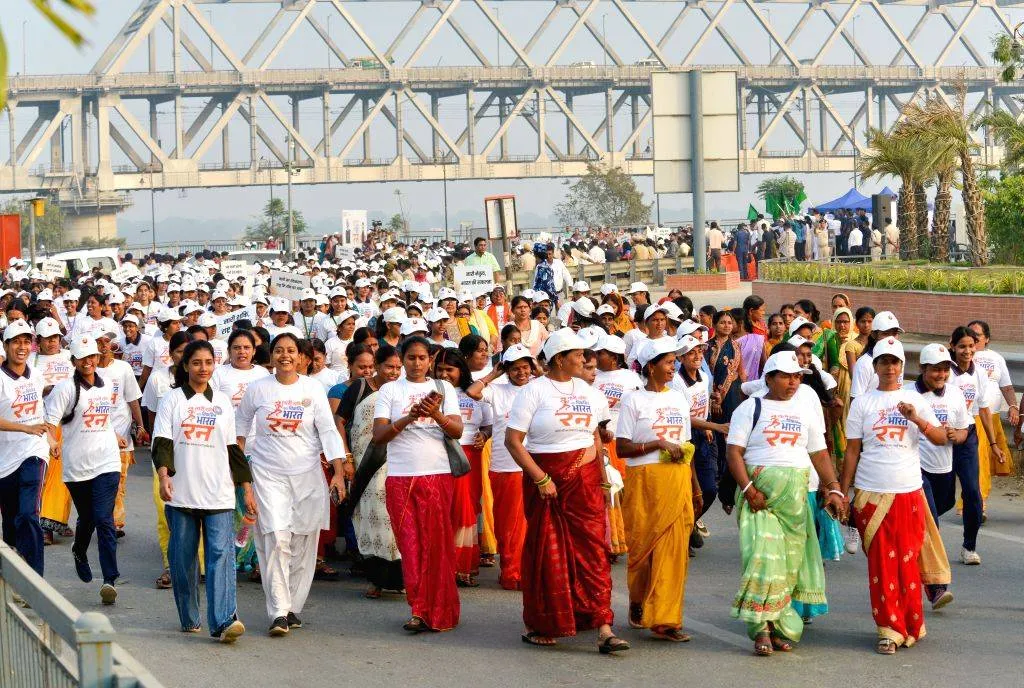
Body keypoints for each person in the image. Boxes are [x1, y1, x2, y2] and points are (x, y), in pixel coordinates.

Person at [505, 328, 628, 654]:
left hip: (585, 481)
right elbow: (513, 442)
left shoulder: (590, 392)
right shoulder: (534, 392)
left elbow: (597, 439)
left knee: (592, 553)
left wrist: (602, 479)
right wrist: (540, 479)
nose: (585, 360)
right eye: (578, 355)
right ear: (559, 359)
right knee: (547, 552)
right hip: (546, 482)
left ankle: (603, 626)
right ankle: (543, 622)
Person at [725, 351, 844, 656]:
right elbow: (734, 453)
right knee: (763, 561)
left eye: (797, 376)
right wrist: (749, 489)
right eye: (786, 376)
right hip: (760, 502)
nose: (793, 382)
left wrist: (833, 488)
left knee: (788, 567)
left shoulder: (804, 410)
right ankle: (760, 629)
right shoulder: (750, 408)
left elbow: (818, 453)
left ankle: (777, 626)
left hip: (795, 504)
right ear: (768, 378)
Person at [840, 337, 949, 655]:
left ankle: (911, 624)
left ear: (903, 367)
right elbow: (851, 451)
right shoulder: (863, 403)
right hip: (871, 493)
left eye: (895, 361)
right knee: (881, 566)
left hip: (908, 492)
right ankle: (889, 630)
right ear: (875, 367)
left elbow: (942, 437)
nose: (889, 367)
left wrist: (915, 417)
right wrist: (844, 491)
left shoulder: (915, 399)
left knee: (907, 562)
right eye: (884, 361)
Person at [235, 332, 347, 637]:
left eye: (291, 351)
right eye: (279, 350)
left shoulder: (312, 389)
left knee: (302, 542)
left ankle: (292, 606)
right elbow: (240, 430)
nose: (285, 356)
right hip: (268, 476)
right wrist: (240, 471)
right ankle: (278, 612)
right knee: (275, 540)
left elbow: (327, 430)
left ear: (301, 357)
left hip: (308, 476)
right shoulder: (257, 389)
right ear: (271, 356)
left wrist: (337, 472)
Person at [153, 340, 251, 643]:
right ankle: (189, 616)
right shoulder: (172, 400)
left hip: (218, 492)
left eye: (208, 362)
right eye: (196, 363)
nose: (203, 368)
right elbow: (162, 441)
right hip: (182, 492)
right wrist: (163, 476)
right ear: (186, 366)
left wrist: (246, 489)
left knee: (220, 556)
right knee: (183, 560)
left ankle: (223, 621)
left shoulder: (222, 402)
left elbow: (233, 448)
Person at [372, 336, 463, 633]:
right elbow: (379, 435)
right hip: (400, 477)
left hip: (437, 474)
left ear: (430, 360)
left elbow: (458, 430)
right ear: (402, 358)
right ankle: (419, 609)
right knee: (410, 546)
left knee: (437, 546)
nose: (416, 363)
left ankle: (441, 610)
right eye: (411, 358)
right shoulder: (390, 390)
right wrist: (409, 417)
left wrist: (435, 413)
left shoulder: (442, 388)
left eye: (422, 358)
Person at [616, 337, 701, 642]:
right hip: (645, 482)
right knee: (642, 550)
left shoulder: (678, 399)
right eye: (667, 362)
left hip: (677, 479)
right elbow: (622, 447)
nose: (672, 367)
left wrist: (695, 486)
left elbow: (686, 446)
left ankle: (667, 619)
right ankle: (639, 600)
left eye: (673, 362)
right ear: (651, 367)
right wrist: (657, 443)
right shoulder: (633, 400)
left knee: (674, 552)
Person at [45, 334, 127, 605]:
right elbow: (49, 421)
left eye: (92, 356)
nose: (88, 362)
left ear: (98, 357)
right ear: (74, 361)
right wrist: (52, 441)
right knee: (88, 519)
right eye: (82, 358)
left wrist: (115, 436)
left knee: (104, 519)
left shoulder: (106, 386)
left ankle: (109, 579)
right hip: (78, 466)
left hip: (107, 462)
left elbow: (105, 419)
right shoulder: (65, 389)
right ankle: (79, 550)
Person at [466, 344, 537, 590]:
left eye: (526, 367)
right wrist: (492, 375)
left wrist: (539, 370)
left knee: (532, 525)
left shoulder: (539, 389)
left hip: (535, 466)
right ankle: (511, 572)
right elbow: (473, 391)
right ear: (506, 370)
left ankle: (527, 571)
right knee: (507, 525)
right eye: (515, 368)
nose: (522, 373)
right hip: (505, 466)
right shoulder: (497, 391)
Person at [339, 344, 404, 598]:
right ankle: (377, 580)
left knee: (393, 519)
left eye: (399, 368)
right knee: (369, 517)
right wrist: (345, 457)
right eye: (389, 366)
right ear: (377, 365)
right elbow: (339, 421)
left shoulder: (402, 391)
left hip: (395, 463)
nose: (394, 372)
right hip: (365, 464)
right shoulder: (361, 387)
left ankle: (400, 579)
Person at [914, 342, 977, 571]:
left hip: (943, 464)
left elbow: (964, 429)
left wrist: (955, 435)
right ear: (922, 368)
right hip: (917, 466)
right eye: (935, 369)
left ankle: (915, 534)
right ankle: (934, 573)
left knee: (946, 502)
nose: (941, 374)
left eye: (944, 369)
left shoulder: (955, 394)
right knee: (931, 517)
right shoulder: (909, 394)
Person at [433, 348, 491, 588]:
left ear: (461, 370)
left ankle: (463, 566)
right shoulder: (430, 392)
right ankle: (443, 566)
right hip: (439, 455)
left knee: (466, 508)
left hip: (470, 456)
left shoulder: (473, 394)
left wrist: (484, 435)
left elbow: (489, 424)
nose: (445, 374)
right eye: (440, 369)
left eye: (450, 369)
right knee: (443, 508)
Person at [0, 320, 50, 575]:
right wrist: (24, 427)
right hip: (5, 460)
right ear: (6, 345)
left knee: (29, 514)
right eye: (16, 341)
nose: (22, 347)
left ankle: (35, 581)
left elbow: (40, 414)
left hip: (34, 452)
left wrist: (47, 439)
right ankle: (14, 575)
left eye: (26, 341)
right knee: (10, 523)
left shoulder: (37, 375)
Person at [592, 335, 642, 560]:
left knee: (621, 492)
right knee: (605, 491)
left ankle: (622, 536)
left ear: (613, 357)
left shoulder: (630, 378)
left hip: (621, 440)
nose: (595, 357)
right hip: (598, 441)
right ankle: (607, 540)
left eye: (600, 353)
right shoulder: (591, 376)